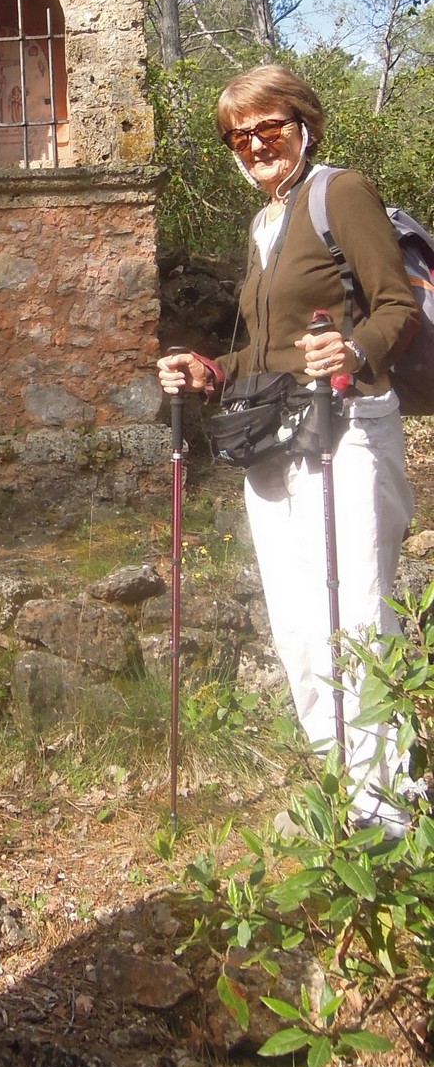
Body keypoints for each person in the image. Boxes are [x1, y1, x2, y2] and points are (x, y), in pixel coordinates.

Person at [157, 65, 419, 831]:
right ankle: (340, 786)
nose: (255, 146)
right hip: (276, 436)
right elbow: (264, 352)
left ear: (302, 124)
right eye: (239, 137)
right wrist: (207, 368)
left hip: (350, 431)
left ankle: (390, 806)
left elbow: (396, 305)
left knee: (358, 614)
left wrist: (352, 349)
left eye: (267, 128)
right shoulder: (263, 225)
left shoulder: (340, 193)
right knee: (298, 621)